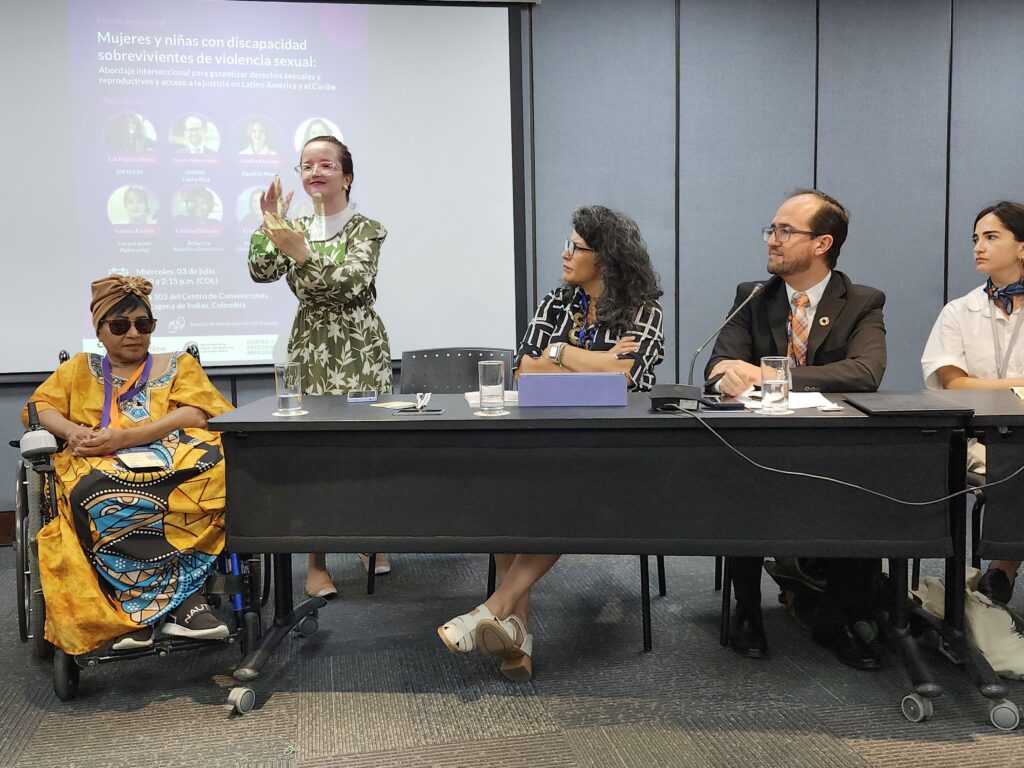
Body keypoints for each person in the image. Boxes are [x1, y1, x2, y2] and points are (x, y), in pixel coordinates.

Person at [438, 205, 665, 681]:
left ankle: (496, 612)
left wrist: (559, 354)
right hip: (544, 435)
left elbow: (626, 377)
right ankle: (515, 631)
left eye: (576, 248)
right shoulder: (554, 304)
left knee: (563, 494)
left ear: (605, 258)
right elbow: (525, 370)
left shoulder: (645, 310)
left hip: (612, 451)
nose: (564, 256)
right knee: (507, 496)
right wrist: (589, 359)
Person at [706, 189, 887, 670]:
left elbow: (865, 373)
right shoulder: (752, 296)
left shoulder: (862, 301)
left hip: (835, 450)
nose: (772, 240)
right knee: (738, 486)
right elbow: (718, 366)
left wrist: (767, 372)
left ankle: (835, 619)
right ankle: (748, 612)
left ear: (822, 243)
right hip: (759, 448)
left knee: (868, 499)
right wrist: (728, 372)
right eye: (771, 229)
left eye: (786, 231)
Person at [23, 275, 233, 655]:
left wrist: (128, 437)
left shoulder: (178, 364)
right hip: (100, 463)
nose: (134, 333)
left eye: (144, 324)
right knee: (94, 491)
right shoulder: (79, 371)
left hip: (174, 462)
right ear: (100, 331)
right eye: (120, 326)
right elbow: (39, 407)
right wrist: (71, 432)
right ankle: (170, 606)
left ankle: (165, 607)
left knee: (214, 475)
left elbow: (199, 413)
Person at [248, 135, 392, 596]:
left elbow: (350, 285)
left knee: (367, 449)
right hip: (310, 346)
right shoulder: (295, 226)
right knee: (313, 452)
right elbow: (261, 271)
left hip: (359, 344)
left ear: (346, 176)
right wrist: (269, 223)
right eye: (306, 165)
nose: (314, 172)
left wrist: (302, 254)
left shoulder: (368, 229)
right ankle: (316, 564)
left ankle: (372, 538)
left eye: (325, 164)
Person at [922, 201, 1024, 604]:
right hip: (977, 438)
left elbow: (970, 382)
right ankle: (1004, 565)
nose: (978, 247)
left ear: (1022, 247)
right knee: (1014, 460)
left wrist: (987, 385)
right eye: (975, 239)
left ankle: (1003, 565)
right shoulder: (958, 312)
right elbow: (952, 385)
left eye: (991, 237)